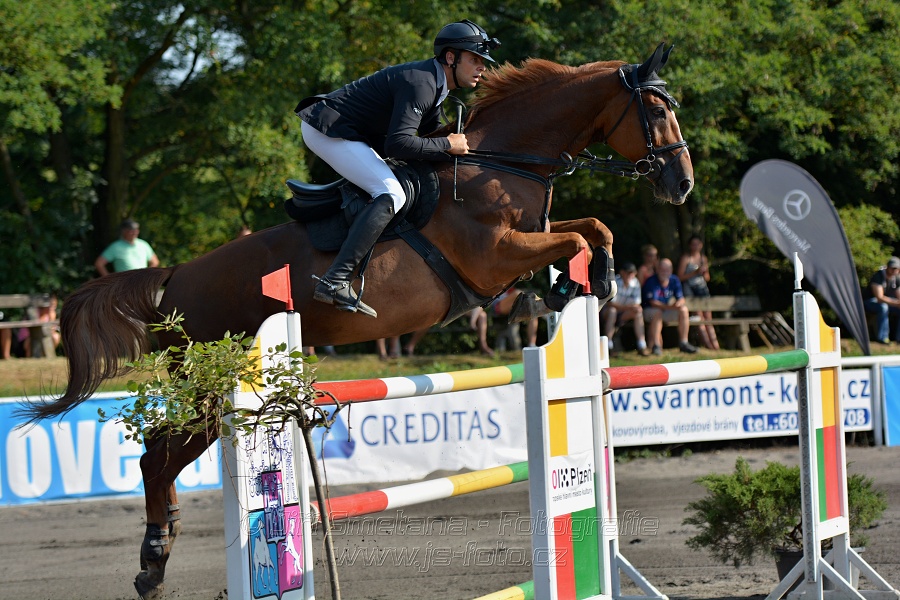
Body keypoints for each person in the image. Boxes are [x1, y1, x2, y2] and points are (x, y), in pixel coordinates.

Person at [294, 20, 499, 318]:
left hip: (349, 131)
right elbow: (399, 145)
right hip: (328, 128)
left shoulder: (436, 87)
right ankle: (335, 280)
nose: (482, 68)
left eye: (482, 61)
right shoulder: (423, 83)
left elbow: (422, 142)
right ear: (451, 57)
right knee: (391, 192)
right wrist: (447, 146)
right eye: (475, 59)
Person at [641, 258, 698, 355]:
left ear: (671, 270)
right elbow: (653, 302)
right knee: (657, 312)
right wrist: (672, 307)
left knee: (683, 309)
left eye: (667, 270)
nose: (664, 272)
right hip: (648, 311)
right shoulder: (651, 281)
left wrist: (679, 303)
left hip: (665, 310)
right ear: (658, 270)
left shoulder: (674, 280)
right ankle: (656, 346)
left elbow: (681, 298)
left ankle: (684, 343)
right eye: (662, 269)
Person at [676, 235, 719, 350]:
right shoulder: (686, 258)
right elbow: (679, 277)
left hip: (702, 290)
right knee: (699, 317)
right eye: (693, 244)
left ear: (701, 245)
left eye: (697, 244)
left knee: (708, 318)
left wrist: (704, 273)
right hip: (690, 290)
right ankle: (708, 345)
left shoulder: (703, 258)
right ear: (690, 245)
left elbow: (707, 278)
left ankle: (716, 346)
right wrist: (695, 272)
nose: (695, 246)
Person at [600, 262, 650, 356]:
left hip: (623, 314)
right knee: (612, 312)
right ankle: (608, 346)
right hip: (608, 313)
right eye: (628, 272)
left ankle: (642, 345)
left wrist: (627, 307)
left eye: (632, 273)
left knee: (638, 312)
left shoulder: (636, 283)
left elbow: (636, 304)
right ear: (622, 272)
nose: (630, 275)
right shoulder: (614, 282)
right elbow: (611, 304)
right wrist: (628, 307)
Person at [94, 218, 159, 276]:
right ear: (123, 231)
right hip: (124, 286)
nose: (135, 232)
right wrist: (109, 280)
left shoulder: (143, 244)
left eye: (136, 229)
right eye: (131, 230)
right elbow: (99, 264)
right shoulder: (115, 247)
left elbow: (155, 262)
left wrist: (146, 275)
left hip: (142, 284)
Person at [863, 256, 900, 344]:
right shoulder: (878, 276)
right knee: (883, 307)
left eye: (896, 269)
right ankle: (883, 338)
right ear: (888, 267)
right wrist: (896, 303)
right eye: (892, 268)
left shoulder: (897, 278)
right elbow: (879, 297)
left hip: (886, 302)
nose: (894, 271)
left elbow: (898, 295)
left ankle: (899, 339)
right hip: (869, 302)